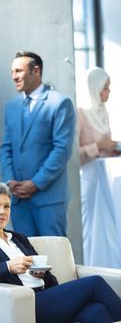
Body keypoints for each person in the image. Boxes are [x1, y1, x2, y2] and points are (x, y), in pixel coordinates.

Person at [0, 181, 121, 323]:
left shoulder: (18, 238)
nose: (2, 212)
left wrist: (41, 274)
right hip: (27, 304)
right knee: (95, 283)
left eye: (6, 206)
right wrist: (7, 267)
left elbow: (52, 281)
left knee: (97, 311)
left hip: (47, 297)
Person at [0, 51, 75, 237]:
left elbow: (61, 150)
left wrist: (36, 183)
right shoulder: (11, 106)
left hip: (48, 198)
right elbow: (6, 148)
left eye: (19, 71)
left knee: (54, 259)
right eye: (12, 71)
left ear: (36, 71)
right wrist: (10, 182)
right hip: (18, 200)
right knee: (26, 259)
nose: (14, 76)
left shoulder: (59, 103)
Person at [78, 67, 118, 266]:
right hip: (88, 178)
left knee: (108, 226)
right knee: (90, 227)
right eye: (105, 88)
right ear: (94, 88)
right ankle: (89, 269)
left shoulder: (104, 113)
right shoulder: (80, 113)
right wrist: (99, 146)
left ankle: (109, 270)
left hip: (104, 178)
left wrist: (112, 149)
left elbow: (106, 146)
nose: (108, 92)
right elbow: (73, 154)